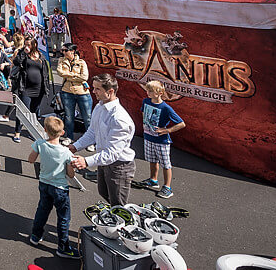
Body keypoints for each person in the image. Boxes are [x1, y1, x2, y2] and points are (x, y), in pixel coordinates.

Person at [70, 73, 136, 205]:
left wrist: (86, 161)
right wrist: (75, 146)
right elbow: (92, 132)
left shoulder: (119, 118)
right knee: (104, 193)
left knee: (118, 206)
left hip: (119, 166)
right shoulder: (100, 106)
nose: (93, 91)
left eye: (97, 89)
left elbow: (112, 153)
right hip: (103, 161)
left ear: (110, 91)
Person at [28, 116, 79, 259]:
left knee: (42, 210)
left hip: (44, 184)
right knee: (63, 217)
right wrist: (72, 165)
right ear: (62, 132)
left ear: (45, 130)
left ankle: (36, 235)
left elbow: (30, 160)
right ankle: (63, 247)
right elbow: (70, 174)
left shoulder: (39, 144)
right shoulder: (66, 153)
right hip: (60, 188)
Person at [140, 80, 185, 199]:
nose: (147, 93)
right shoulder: (146, 101)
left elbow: (181, 123)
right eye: (147, 90)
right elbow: (144, 114)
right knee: (152, 160)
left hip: (162, 141)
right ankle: (153, 180)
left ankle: (167, 187)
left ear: (159, 93)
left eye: (150, 91)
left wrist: (167, 130)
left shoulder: (166, 108)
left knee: (165, 164)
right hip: (148, 137)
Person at [11, 39, 48, 143]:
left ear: (34, 44)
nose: (26, 46)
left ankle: (32, 131)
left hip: (39, 88)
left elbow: (44, 72)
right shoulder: (23, 54)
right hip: (26, 88)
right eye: (25, 44)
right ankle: (17, 132)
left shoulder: (40, 55)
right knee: (23, 110)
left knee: (34, 110)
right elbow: (16, 62)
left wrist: (46, 87)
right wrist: (23, 52)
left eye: (28, 44)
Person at [56, 44, 92, 144]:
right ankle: (69, 137)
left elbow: (84, 77)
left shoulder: (81, 62)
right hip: (67, 91)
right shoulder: (61, 60)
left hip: (82, 92)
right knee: (68, 116)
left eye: (65, 50)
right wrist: (76, 75)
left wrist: (68, 75)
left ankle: (91, 140)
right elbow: (60, 72)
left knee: (87, 118)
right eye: (62, 50)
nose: (62, 52)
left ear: (72, 51)